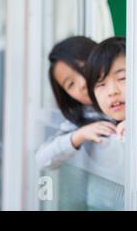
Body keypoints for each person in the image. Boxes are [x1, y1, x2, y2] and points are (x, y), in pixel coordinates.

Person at [36, 37, 123, 171]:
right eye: (71, 84)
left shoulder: (132, 102)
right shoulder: (82, 120)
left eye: (84, 70)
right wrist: (78, 136)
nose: (83, 84)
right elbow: (41, 160)